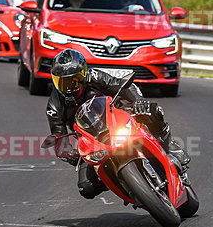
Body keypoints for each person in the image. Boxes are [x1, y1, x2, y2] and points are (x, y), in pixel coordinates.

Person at [43, 49, 190, 199]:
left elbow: (122, 86)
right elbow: (59, 136)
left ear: (84, 74)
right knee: (86, 188)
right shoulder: (54, 107)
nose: (68, 87)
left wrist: (138, 101)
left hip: (116, 116)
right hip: (91, 139)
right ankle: (121, 181)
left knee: (152, 110)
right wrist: (68, 152)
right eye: (61, 81)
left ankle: (170, 145)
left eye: (73, 80)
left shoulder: (94, 77)